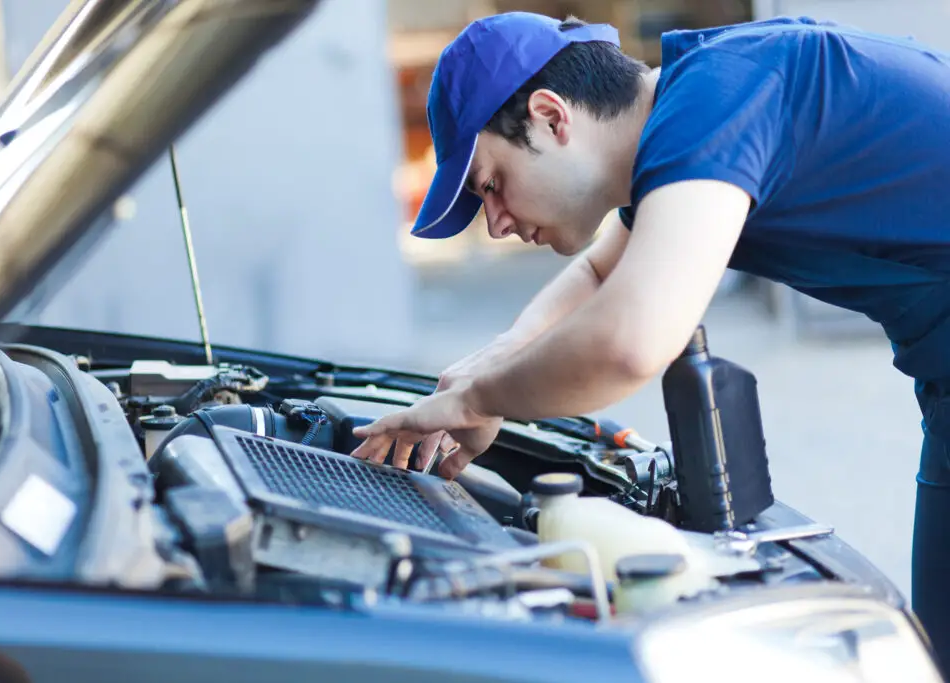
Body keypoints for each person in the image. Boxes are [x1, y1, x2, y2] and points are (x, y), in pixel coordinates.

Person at [348, 11, 950, 666]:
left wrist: (481, 400)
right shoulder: (685, 122)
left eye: (491, 185)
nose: (494, 224)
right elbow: (601, 271)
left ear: (553, 118)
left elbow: (631, 339)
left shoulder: (720, 99)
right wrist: (490, 362)